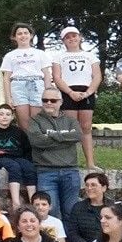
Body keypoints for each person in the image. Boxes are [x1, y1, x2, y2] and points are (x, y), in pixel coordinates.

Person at [28, 87, 82, 221]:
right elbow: (37, 141)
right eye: (45, 100)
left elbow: (77, 135)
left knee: (72, 212)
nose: (48, 103)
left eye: (53, 100)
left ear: (61, 102)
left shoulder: (70, 120)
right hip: (46, 172)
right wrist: (64, 137)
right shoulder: (35, 121)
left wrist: (50, 135)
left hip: (71, 171)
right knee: (52, 214)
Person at [1, 23, 52, 131]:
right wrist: (8, 98)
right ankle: (26, 147)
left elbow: (47, 74)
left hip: (37, 85)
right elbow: (6, 78)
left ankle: (37, 146)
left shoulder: (40, 53)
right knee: (24, 124)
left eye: (25, 33)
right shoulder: (10, 55)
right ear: (14, 37)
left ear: (31, 35)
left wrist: (48, 93)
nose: (23, 36)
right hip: (18, 87)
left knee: (37, 121)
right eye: (19, 34)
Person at [0, 104, 36, 210]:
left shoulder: (18, 132)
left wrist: (27, 161)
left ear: (12, 117)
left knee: (29, 167)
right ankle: (16, 203)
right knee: (14, 166)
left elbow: (27, 149)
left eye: (8, 114)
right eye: (1, 114)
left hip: (17, 157)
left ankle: (33, 200)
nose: (4, 117)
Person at [67, 172, 110, 242]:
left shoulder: (114, 207)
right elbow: (72, 232)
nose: (89, 188)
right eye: (87, 185)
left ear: (104, 188)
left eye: (93, 185)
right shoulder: (78, 207)